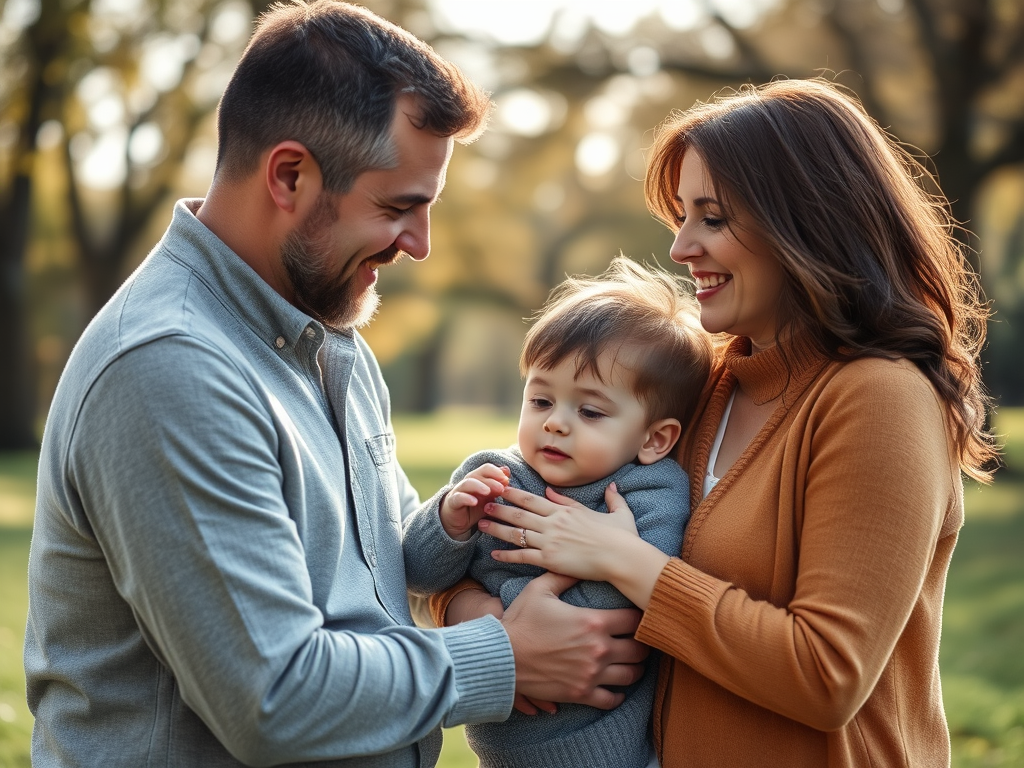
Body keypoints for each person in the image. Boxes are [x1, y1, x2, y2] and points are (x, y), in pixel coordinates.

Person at [23, 2, 649, 766]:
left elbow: (389, 580)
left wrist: (481, 560)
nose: (419, 246)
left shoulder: (326, 340)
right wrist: (502, 658)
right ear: (290, 175)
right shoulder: (169, 366)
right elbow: (273, 697)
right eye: (398, 208)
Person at [436, 78, 998, 767]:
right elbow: (488, 536)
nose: (679, 247)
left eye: (712, 217)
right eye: (681, 216)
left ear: (805, 222)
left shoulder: (880, 399)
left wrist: (624, 559)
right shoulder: (702, 382)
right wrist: (498, 631)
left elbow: (828, 676)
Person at [403, 258, 712, 768]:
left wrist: (504, 617)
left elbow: (619, 609)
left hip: (605, 749)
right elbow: (416, 575)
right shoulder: (495, 475)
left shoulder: (649, 492)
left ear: (655, 439)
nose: (556, 424)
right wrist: (449, 525)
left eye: (589, 411)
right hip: (501, 745)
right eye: (541, 400)